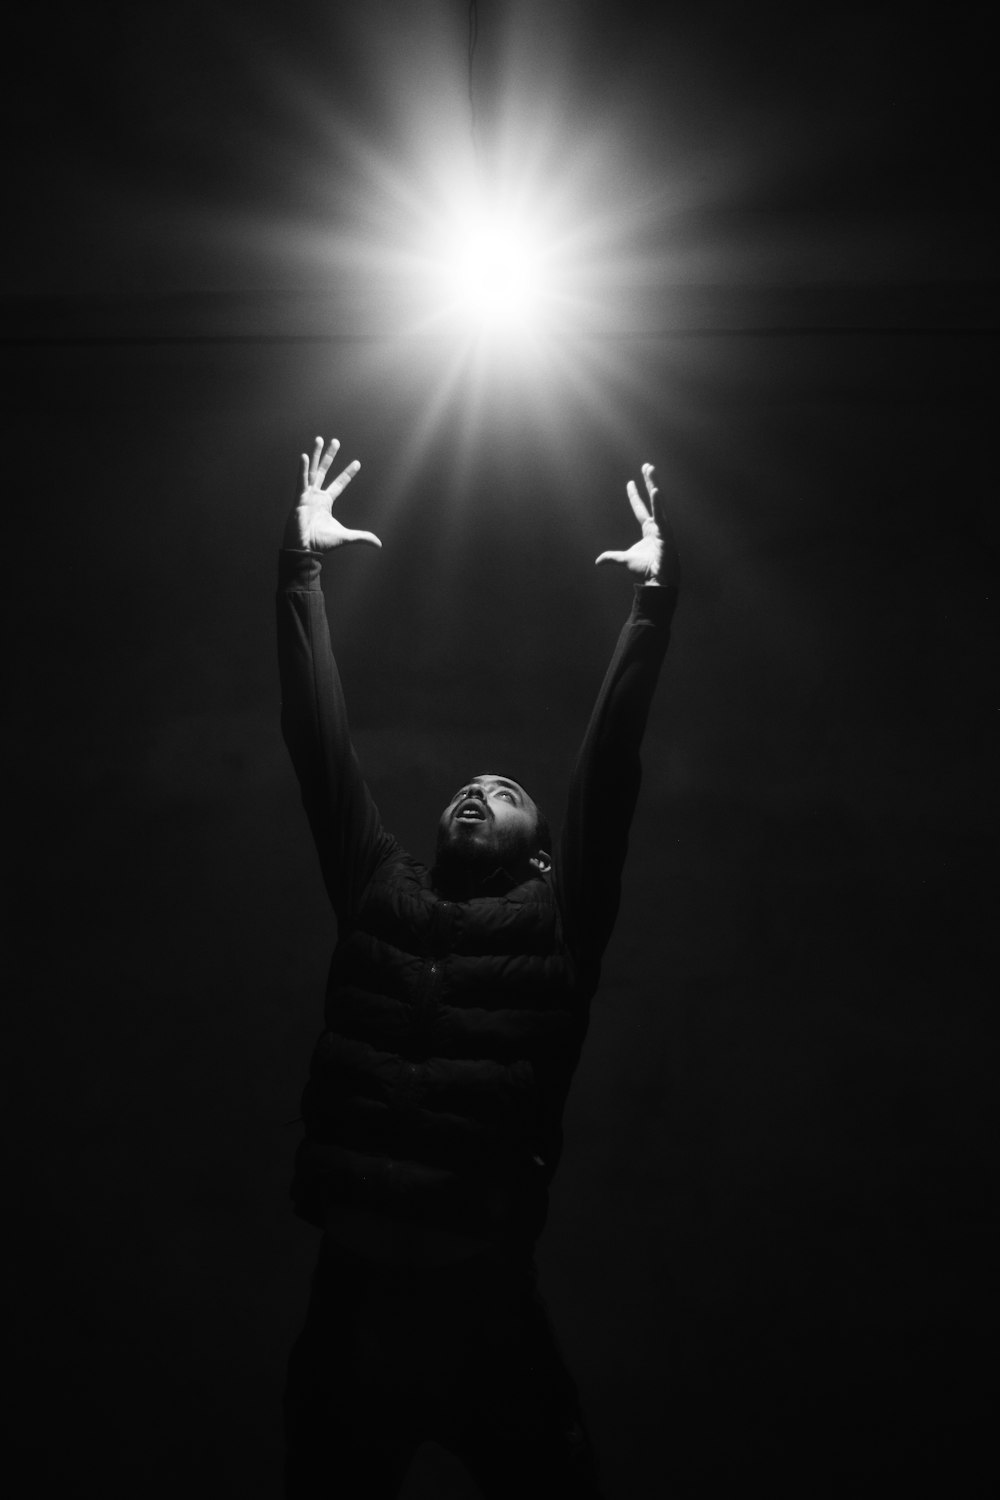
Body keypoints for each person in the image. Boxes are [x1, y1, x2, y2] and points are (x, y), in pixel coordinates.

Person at [277, 434, 680, 1498]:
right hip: (353, 1290)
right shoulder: (379, 889)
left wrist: (650, 609)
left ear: (541, 847)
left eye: (505, 791)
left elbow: (611, 771)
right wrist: (298, 572)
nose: (475, 791)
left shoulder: (558, 919)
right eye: (467, 785)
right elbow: (316, 746)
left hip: (477, 1291)